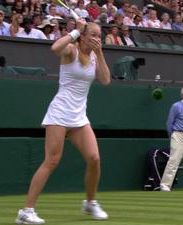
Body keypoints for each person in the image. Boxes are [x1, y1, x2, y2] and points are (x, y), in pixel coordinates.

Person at [15, 19, 111, 224]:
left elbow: (105, 80)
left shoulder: (95, 56)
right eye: (93, 35)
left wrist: (100, 52)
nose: (96, 39)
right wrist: (76, 31)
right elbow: (54, 47)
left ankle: (90, 203)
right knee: (52, 161)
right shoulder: (71, 50)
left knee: (94, 159)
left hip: (79, 117)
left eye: (99, 36)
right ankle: (26, 211)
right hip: (59, 113)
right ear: (83, 36)